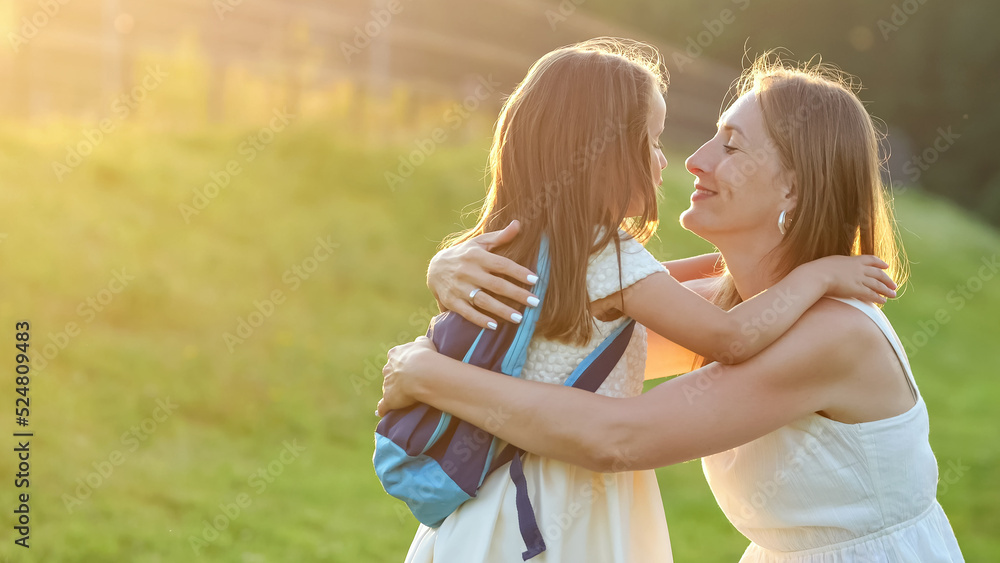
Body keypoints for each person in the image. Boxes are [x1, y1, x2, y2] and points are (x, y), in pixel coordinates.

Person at [379, 54, 964, 562]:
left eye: (731, 146)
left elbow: (618, 437)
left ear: (793, 189)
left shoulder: (833, 334)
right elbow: (552, 353)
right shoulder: (745, 304)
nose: (693, 159)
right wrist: (447, 265)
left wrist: (425, 372)